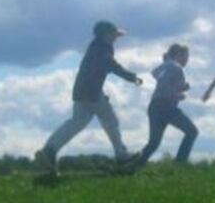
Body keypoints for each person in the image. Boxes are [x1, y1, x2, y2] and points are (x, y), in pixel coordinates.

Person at [35, 21, 143, 175]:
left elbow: (95, 71)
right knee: (110, 120)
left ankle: (49, 151)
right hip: (90, 92)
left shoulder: (95, 47)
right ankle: (122, 156)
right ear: (106, 35)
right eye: (114, 35)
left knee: (76, 123)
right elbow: (111, 65)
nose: (116, 38)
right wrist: (131, 77)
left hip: (82, 91)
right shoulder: (103, 48)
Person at [126, 44, 199, 170]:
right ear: (179, 55)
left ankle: (131, 167)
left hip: (155, 107)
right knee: (192, 131)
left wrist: (180, 88)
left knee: (153, 143)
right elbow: (164, 84)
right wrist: (176, 94)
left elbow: (156, 75)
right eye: (186, 56)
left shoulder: (166, 65)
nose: (187, 60)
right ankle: (180, 164)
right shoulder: (176, 67)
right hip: (167, 107)